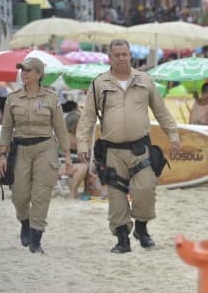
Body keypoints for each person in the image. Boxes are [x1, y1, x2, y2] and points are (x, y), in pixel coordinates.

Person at [76, 39, 180, 254]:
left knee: (145, 189)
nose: (122, 58)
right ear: (110, 58)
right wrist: (82, 144)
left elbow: (161, 111)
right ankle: (122, 238)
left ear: (130, 55)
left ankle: (141, 229)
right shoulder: (99, 84)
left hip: (140, 149)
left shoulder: (144, 80)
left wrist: (173, 135)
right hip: (112, 151)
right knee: (116, 196)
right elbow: (86, 118)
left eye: (125, 54)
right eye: (117, 55)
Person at [0, 57, 72, 254]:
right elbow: (6, 129)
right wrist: (2, 155)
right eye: (22, 70)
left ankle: (36, 239)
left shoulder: (51, 98)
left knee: (41, 195)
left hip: (45, 148)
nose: (24, 73)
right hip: (20, 149)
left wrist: (67, 155)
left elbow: (60, 128)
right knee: (20, 195)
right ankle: (25, 221)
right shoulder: (12, 99)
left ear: (39, 74)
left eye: (29, 70)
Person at [58, 111, 88, 199]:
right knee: (83, 167)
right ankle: (73, 192)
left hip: (68, 165)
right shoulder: (67, 136)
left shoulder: (76, 136)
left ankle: (84, 190)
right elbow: (79, 146)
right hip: (61, 165)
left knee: (88, 166)